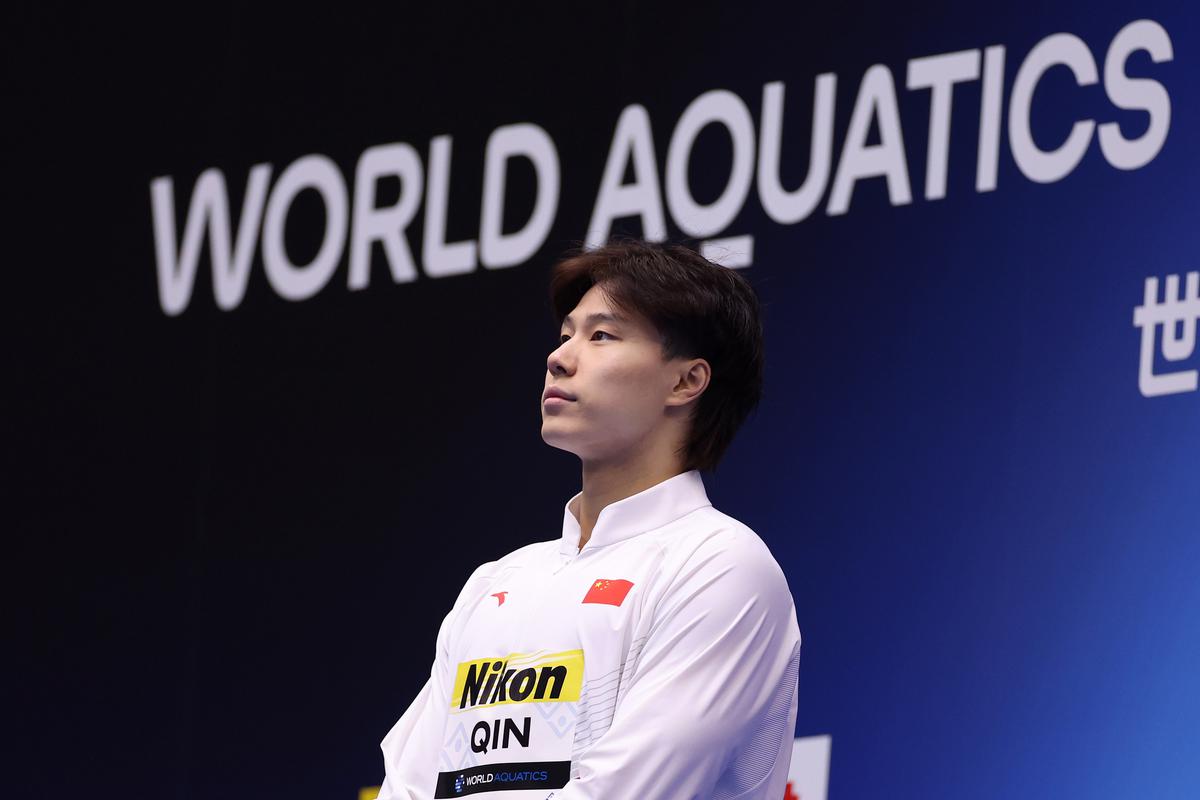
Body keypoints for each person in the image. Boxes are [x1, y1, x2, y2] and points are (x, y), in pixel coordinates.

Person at [377, 239, 801, 799]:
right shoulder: (493, 583)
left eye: (601, 335)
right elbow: (407, 787)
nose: (559, 357)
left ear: (686, 381)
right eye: (565, 335)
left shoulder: (720, 565)